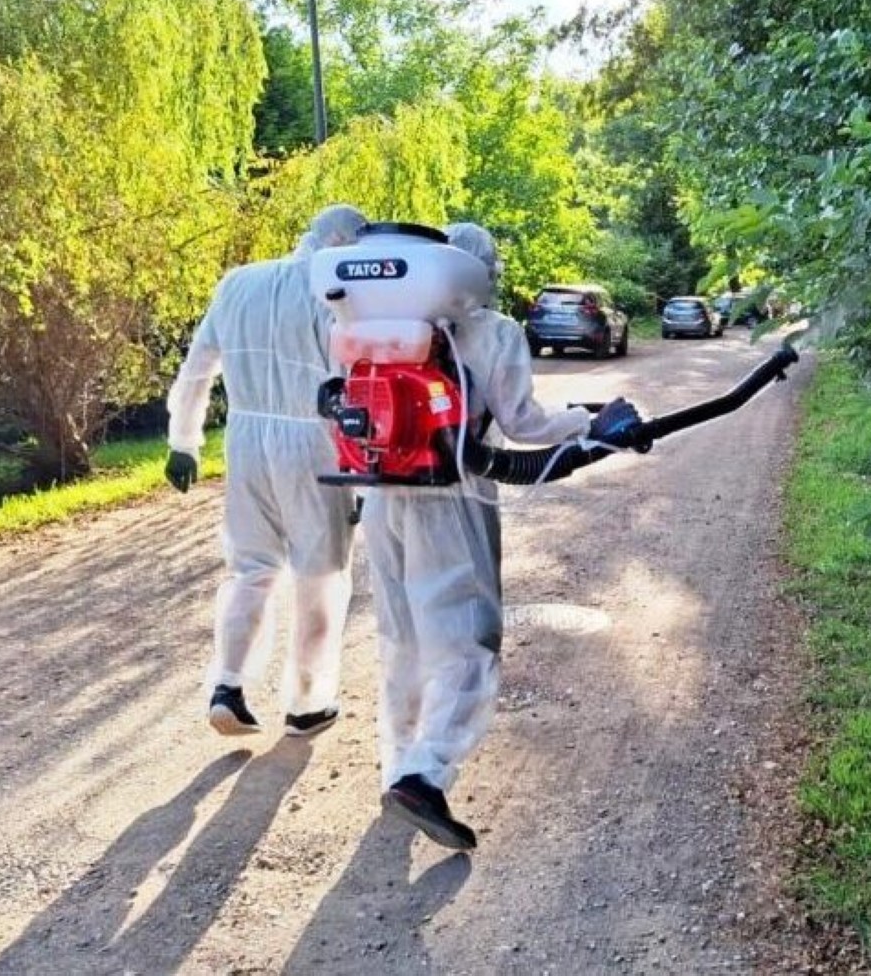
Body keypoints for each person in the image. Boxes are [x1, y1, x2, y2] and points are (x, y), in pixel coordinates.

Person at [365, 221, 639, 849]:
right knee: (470, 641)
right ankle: (424, 778)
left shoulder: (382, 331)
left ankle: (398, 765)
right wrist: (591, 421)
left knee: (401, 633)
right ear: (481, 272)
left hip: (382, 494)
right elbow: (522, 425)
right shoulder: (494, 332)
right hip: (454, 494)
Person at [163, 204, 367, 739]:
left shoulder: (238, 284)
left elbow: (197, 368)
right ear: (344, 244)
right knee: (319, 575)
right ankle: (307, 702)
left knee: (251, 569)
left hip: (246, 440)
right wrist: (366, 468)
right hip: (314, 444)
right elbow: (355, 381)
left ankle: (227, 684)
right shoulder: (338, 295)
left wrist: (183, 440)